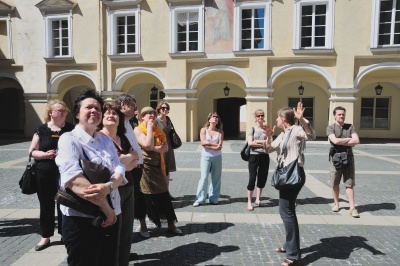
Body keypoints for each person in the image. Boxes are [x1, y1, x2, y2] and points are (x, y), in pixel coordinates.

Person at [56, 89, 126, 266]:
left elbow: (119, 168)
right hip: (82, 219)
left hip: (112, 215)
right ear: (78, 113)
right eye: (89, 107)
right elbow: (75, 180)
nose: (94, 110)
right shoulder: (68, 139)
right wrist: (106, 208)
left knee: (108, 261)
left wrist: (109, 186)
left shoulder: (105, 140)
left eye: (98, 108)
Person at [263, 106, 314, 266]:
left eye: (278, 117)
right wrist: (269, 136)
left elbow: (311, 135)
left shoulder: (296, 129)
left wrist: (302, 119)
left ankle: (292, 255)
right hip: (286, 175)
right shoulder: (283, 134)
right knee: (287, 210)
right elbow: (268, 149)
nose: (276, 120)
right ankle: (289, 246)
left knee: (287, 212)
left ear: (284, 119)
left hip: (294, 175)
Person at [28, 100, 74, 251]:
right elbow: (32, 151)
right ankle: (46, 235)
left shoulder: (70, 129)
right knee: (46, 204)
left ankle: (64, 233)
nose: (63, 113)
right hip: (45, 171)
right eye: (60, 110)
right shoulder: (41, 129)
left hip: (66, 172)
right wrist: (45, 154)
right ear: (50, 112)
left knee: (65, 202)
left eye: (64, 111)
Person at [97, 102, 139, 266]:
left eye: (114, 113)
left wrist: (122, 162)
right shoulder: (100, 138)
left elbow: (136, 160)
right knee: (113, 229)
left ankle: (123, 262)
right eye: (107, 112)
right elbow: (108, 166)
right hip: (112, 189)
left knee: (127, 229)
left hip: (128, 186)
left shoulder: (123, 138)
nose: (110, 115)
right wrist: (126, 160)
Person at [134, 106, 182, 235]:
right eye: (147, 113)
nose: (151, 115)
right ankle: (143, 226)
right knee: (144, 197)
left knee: (164, 195)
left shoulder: (158, 130)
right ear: (142, 117)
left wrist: (154, 148)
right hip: (145, 168)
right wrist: (149, 129)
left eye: (152, 113)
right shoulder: (138, 130)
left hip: (158, 166)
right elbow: (147, 145)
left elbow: (165, 148)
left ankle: (171, 224)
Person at [115, 94, 149, 240]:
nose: (136, 108)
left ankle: (140, 225)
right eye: (133, 105)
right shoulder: (117, 124)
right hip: (127, 169)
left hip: (136, 166)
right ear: (123, 105)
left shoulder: (129, 122)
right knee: (126, 202)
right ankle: (123, 234)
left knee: (138, 198)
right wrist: (132, 159)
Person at [326, 106, 360, 218]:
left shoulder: (350, 127)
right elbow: (334, 140)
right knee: (335, 182)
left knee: (349, 183)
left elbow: (357, 140)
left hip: (349, 158)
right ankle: (336, 203)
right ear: (334, 116)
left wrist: (340, 142)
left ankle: (352, 207)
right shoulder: (330, 128)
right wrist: (348, 140)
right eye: (339, 114)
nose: (341, 116)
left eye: (343, 114)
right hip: (335, 159)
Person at [193, 112, 224, 207]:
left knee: (216, 178)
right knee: (204, 177)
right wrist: (214, 145)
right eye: (213, 117)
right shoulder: (203, 130)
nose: (215, 118)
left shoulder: (220, 132)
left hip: (217, 157)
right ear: (209, 119)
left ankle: (214, 198)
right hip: (205, 157)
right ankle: (200, 199)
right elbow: (203, 144)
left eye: (217, 117)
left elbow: (220, 146)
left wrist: (209, 144)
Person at [246, 109, 270, 211]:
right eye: (258, 116)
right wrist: (263, 142)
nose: (260, 117)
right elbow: (250, 143)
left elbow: (269, 144)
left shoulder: (266, 129)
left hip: (264, 155)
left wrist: (259, 141)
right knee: (252, 178)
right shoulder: (252, 129)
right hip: (253, 155)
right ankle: (249, 202)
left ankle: (258, 199)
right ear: (255, 117)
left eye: (262, 115)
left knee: (262, 177)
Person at [155, 101, 177, 200]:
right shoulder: (156, 121)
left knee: (167, 171)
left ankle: (167, 192)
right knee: (160, 171)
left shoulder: (168, 119)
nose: (165, 110)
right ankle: (161, 193)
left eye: (167, 108)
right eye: (163, 108)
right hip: (160, 148)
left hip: (169, 147)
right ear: (159, 109)